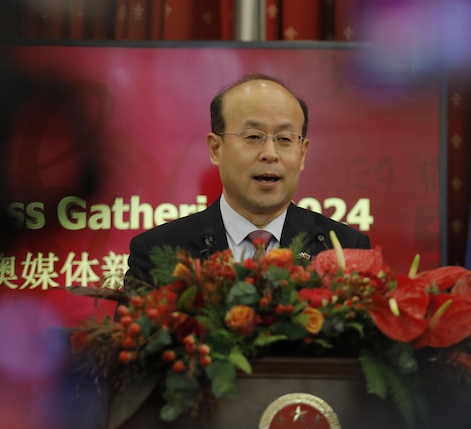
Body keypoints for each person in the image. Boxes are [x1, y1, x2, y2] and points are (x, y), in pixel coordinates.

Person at [125, 73, 371, 287]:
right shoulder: (159, 251)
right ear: (215, 148)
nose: (270, 154)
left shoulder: (343, 249)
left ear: (303, 153)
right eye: (253, 136)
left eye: (284, 139)